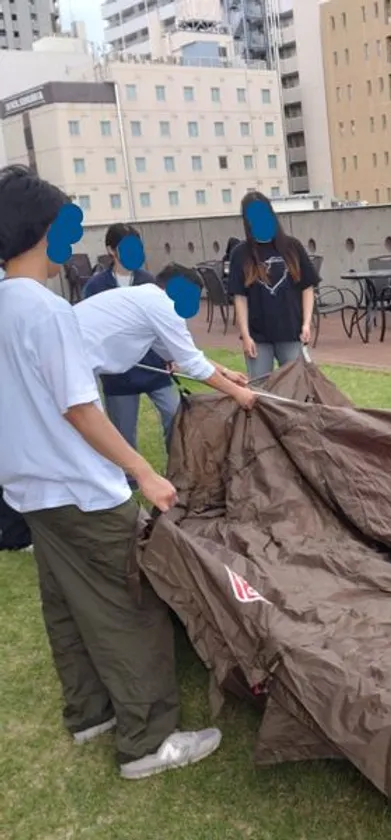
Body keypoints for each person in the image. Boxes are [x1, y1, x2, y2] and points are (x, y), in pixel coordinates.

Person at [0, 164, 222, 779]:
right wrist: (143, 472)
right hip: (81, 491)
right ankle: (149, 741)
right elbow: (79, 407)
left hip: (31, 492)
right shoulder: (45, 311)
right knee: (131, 607)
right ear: (41, 232)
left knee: (66, 603)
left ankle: (88, 712)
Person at [74, 265, 257, 412]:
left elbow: (182, 356)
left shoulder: (146, 298)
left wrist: (226, 372)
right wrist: (237, 393)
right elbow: (193, 364)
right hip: (72, 362)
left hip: (76, 358)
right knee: (87, 433)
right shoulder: (164, 305)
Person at [82, 224, 181, 477]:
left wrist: (170, 355)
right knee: (122, 432)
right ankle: (129, 478)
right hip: (119, 375)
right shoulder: (96, 286)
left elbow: (163, 323)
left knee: (175, 413)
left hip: (154, 367)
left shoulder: (149, 282)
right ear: (111, 250)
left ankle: (177, 468)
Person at [229, 191, 318, 380]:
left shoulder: (293, 247)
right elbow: (240, 297)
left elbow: (307, 287)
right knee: (260, 387)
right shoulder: (240, 253)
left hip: (291, 331)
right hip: (258, 336)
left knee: (296, 384)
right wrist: (245, 335)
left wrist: (306, 323)